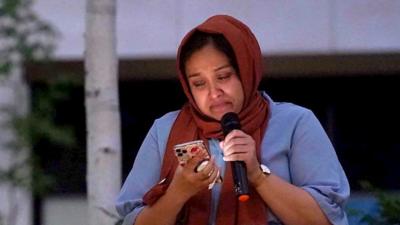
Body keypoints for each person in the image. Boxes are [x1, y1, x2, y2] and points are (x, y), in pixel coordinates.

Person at [116, 15, 350, 225]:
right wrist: (178, 192)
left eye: (223, 76)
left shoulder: (295, 123)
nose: (214, 92)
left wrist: (258, 176)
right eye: (199, 83)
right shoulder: (165, 130)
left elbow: (327, 219)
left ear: (246, 70)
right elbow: (130, 220)